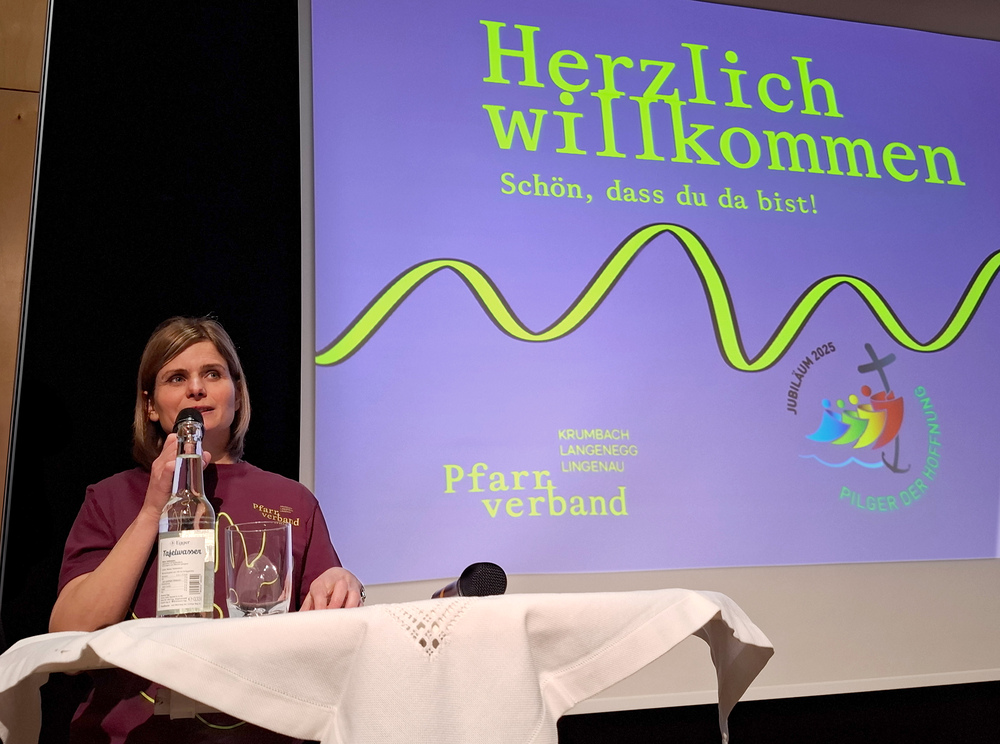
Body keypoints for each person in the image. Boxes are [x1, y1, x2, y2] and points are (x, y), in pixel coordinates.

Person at [50, 316, 364, 742]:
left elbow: (329, 636)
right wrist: (152, 511)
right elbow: (67, 633)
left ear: (237, 393)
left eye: (213, 374)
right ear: (150, 405)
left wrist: (342, 581)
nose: (196, 389)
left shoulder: (292, 500)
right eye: (176, 378)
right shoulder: (109, 498)